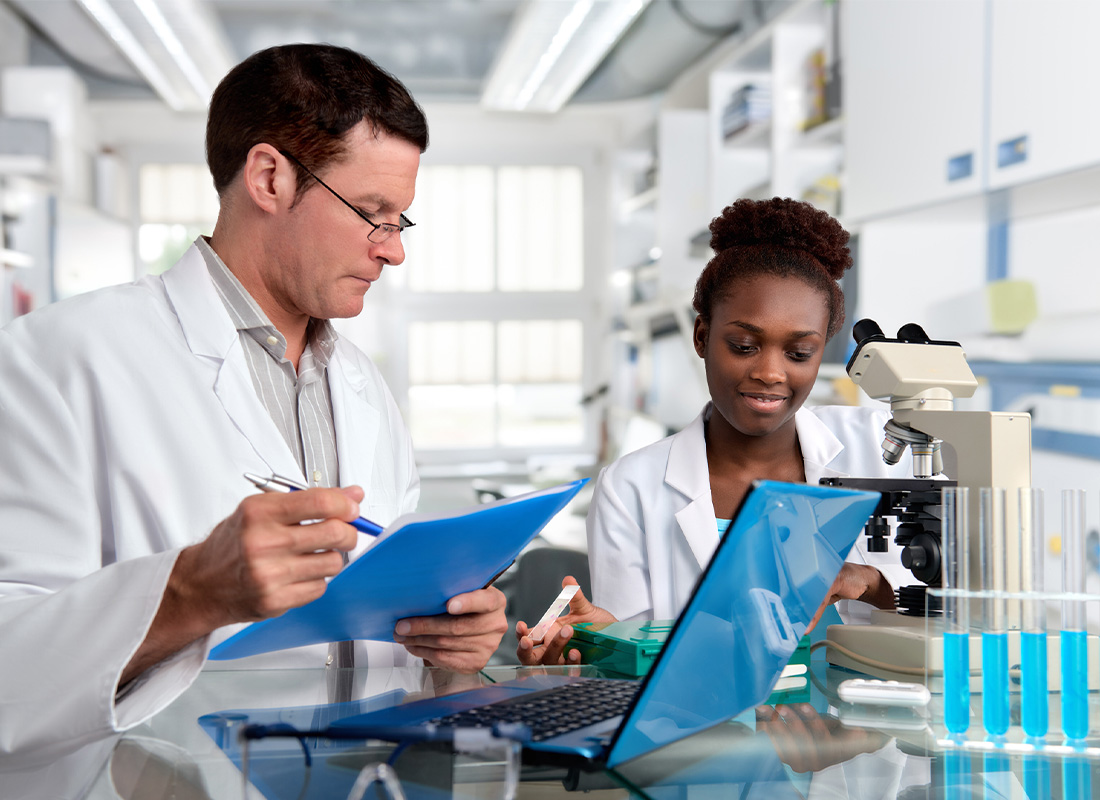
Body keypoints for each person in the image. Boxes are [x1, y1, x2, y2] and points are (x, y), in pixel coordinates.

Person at [0, 44, 506, 761]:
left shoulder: (361, 385)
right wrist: (188, 595)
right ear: (269, 177)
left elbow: (376, 637)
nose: (393, 252)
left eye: (400, 221)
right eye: (372, 212)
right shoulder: (59, 357)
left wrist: (446, 641)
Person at [516, 197, 913, 666]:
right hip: (706, 732)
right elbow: (630, 661)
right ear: (702, 337)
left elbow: (961, 599)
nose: (770, 372)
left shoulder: (883, 445)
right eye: (744, 345)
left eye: (799, 353)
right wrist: (601, 646)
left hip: (862, 722)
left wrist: (862, 580)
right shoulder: (630, 488)